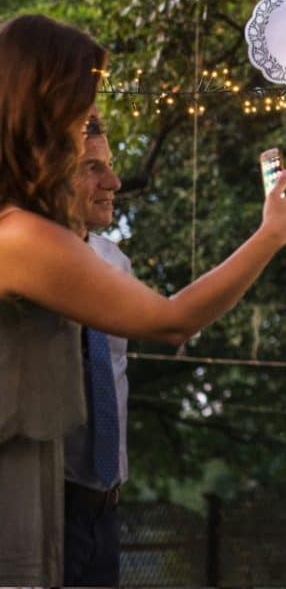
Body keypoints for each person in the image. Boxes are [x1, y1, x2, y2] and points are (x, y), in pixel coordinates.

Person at [0, 13, 286, 587]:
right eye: (82, 109)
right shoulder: (22, 237)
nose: (86, 125)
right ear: (45, 106)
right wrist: (271, 234)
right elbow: (171, 322)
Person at [62, 112, 130, 587]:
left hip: (107, 503)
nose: (114, 181)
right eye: (92, 168)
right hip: (44, 500)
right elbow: (173, 323)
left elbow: (171, 321)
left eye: (109, 165)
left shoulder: (116, 262)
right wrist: (269, 234)